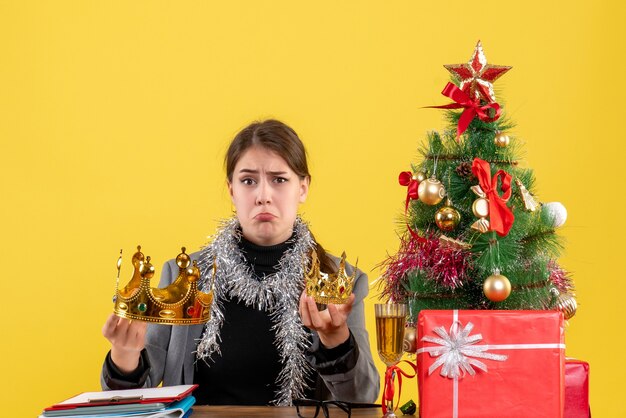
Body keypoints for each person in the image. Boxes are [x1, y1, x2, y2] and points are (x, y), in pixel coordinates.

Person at [101, 119, 380, 406]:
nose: (263, 196)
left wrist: (336, 340)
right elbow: (131, 400)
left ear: (303, 188)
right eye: (248, 181)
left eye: (279, 179)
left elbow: (362, 398)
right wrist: (125, 354)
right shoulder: (183, 277)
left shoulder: (338, 279)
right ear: (232, 190)